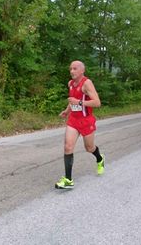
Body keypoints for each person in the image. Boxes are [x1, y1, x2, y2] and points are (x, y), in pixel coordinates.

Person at [55, 61, 104, 189]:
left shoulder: (87, 83)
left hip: (86, 120)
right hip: (73, 120)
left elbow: (97, 102)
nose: (71, 71)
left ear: (82, 70)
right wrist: (67, 111)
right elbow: (72, 100)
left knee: (89, 148)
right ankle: (68, 180)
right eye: (70, 68)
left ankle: (99, 158)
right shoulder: (70, 83)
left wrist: (80, 102)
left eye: (75, 68)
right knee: (68, 147)